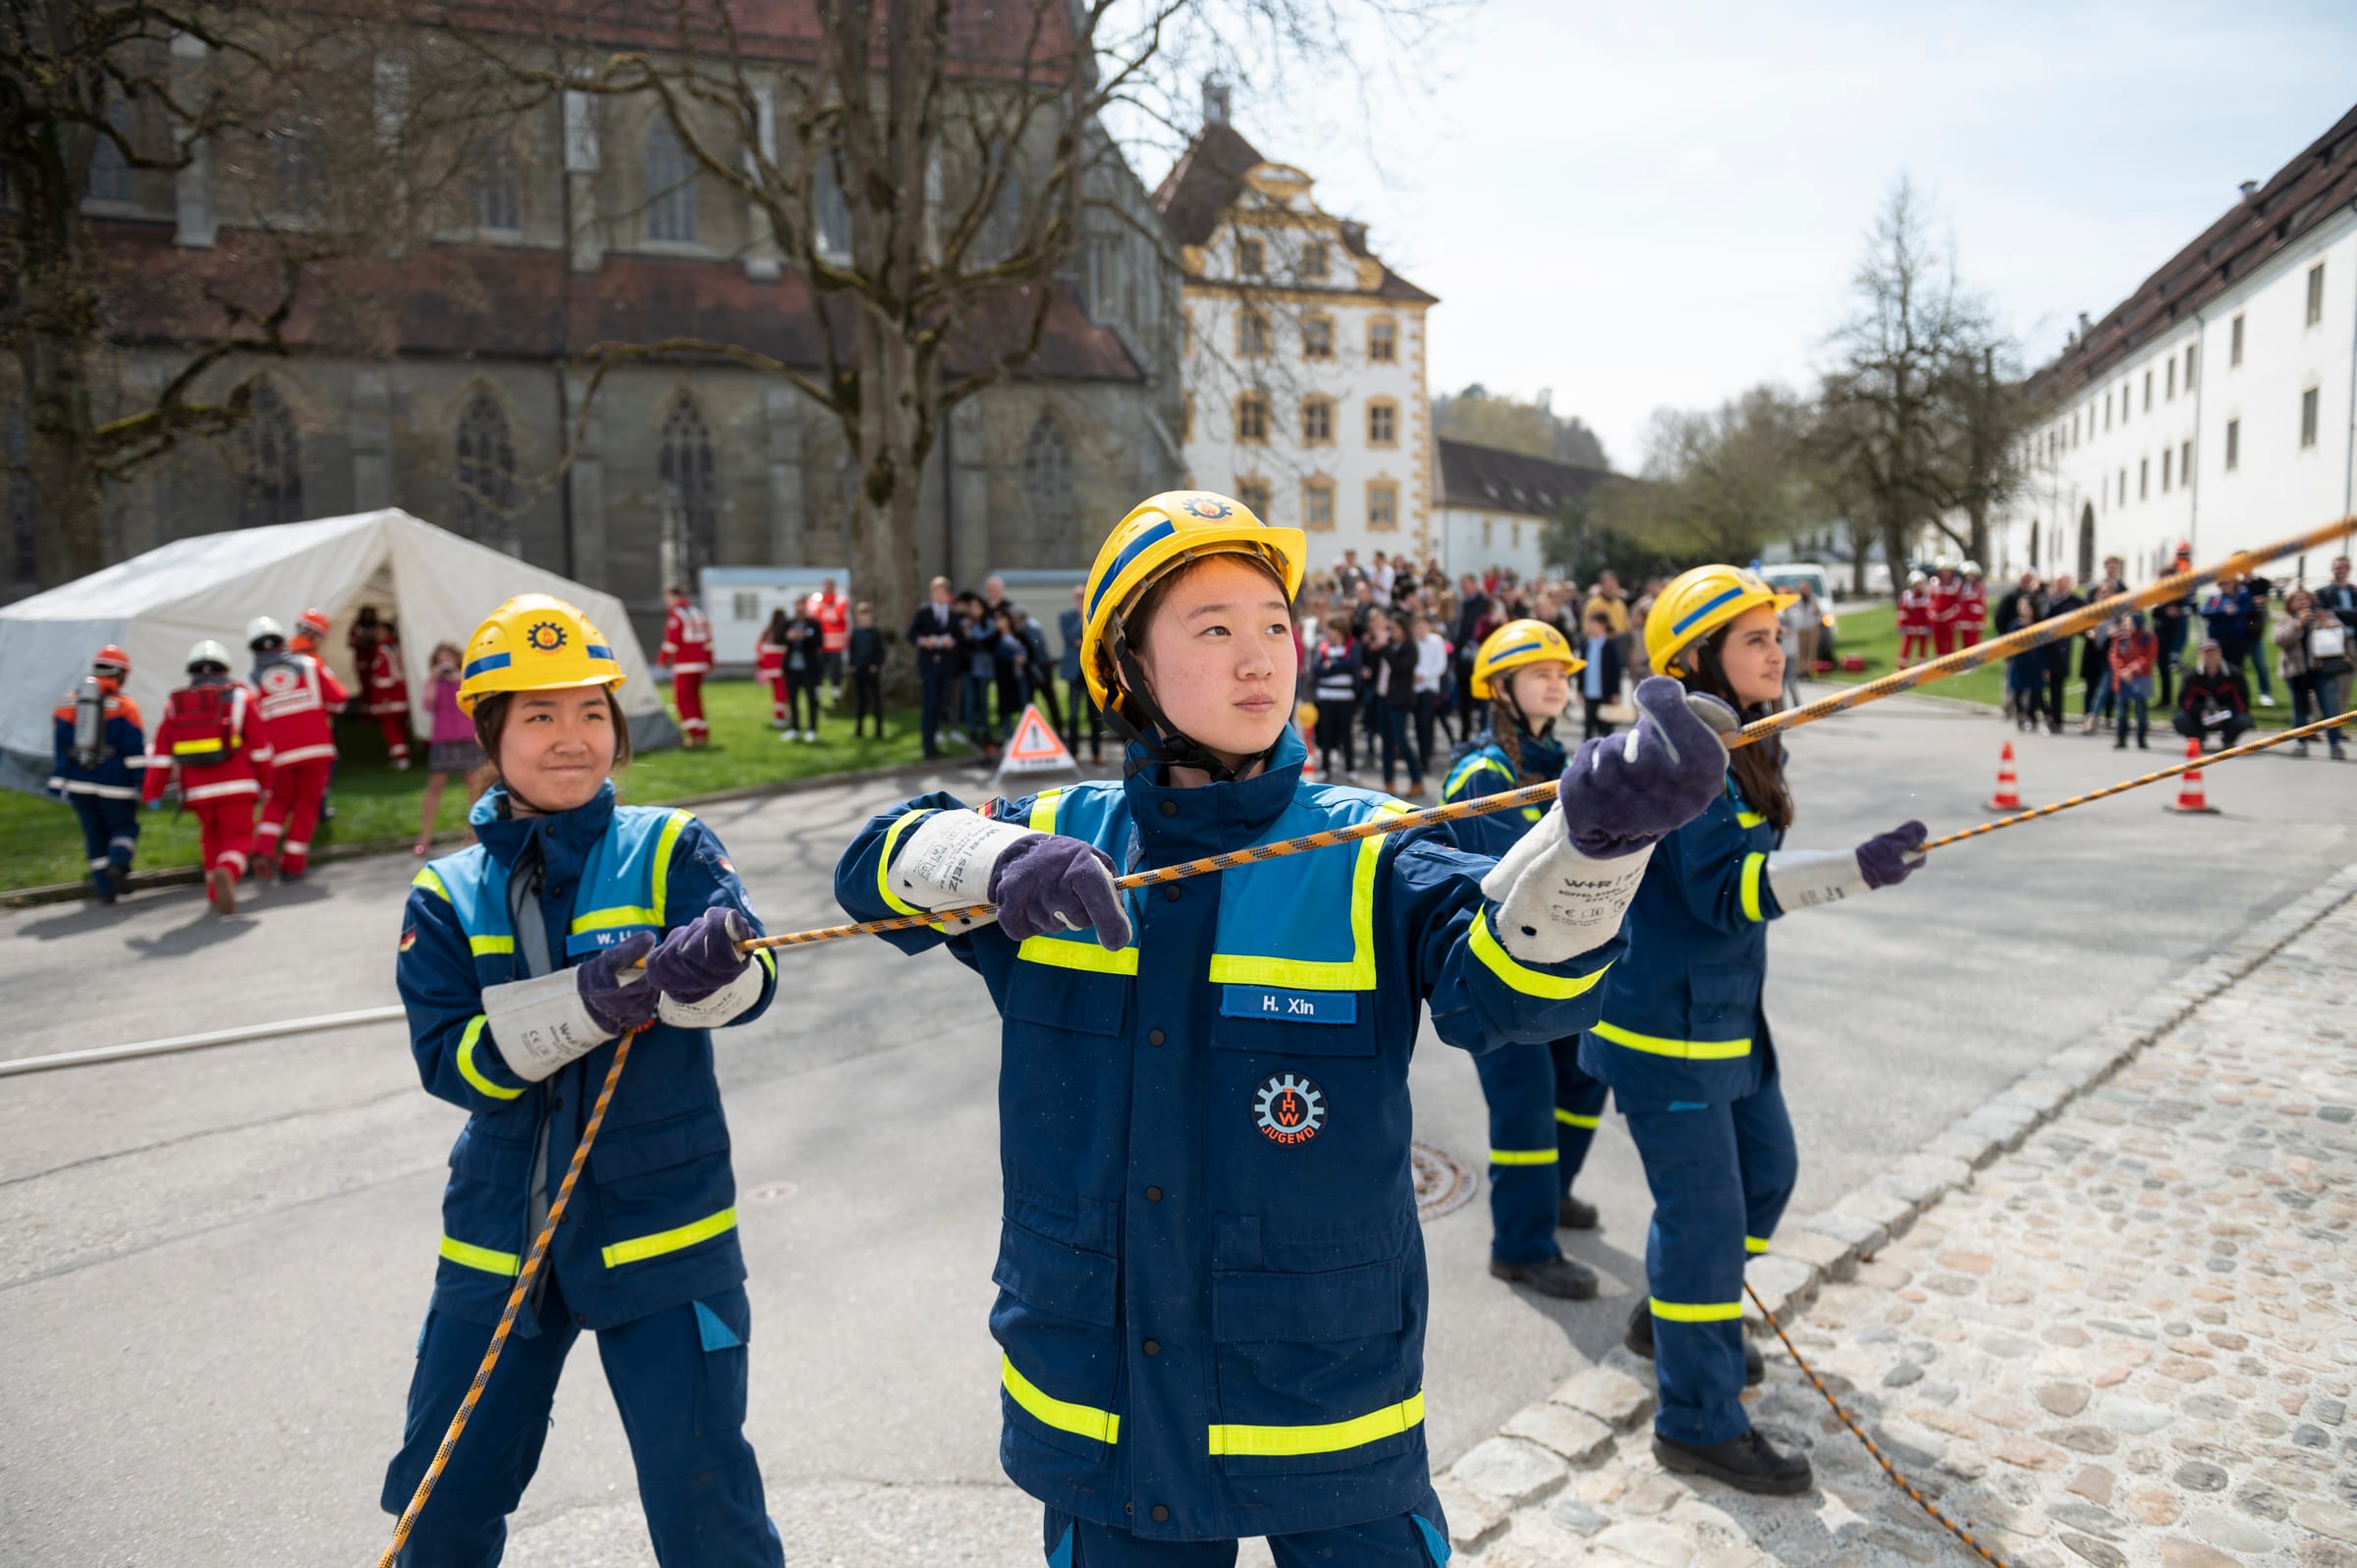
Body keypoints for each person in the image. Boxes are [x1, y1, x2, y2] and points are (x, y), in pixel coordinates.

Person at [831, 490, 1726, 1564]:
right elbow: (871, 865)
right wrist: (989, 860)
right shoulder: (1059, 838)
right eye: (1213, 630)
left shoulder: (1371, 848)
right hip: (1101, 1404)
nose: (1260, 658)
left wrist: (1599, 850)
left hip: (1324, 1406)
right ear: (1128, 665)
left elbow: (1517, 994)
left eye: (1272, 625)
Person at [379, 593, 786, 1567]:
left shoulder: (670, 847)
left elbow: (759, 980)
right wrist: (587, 1004)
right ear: (490, 733)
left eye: (593, 712)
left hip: (666, 1234)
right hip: (499, 1239)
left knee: (705, 1507)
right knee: (440, 1499)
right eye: (542, 715)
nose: (574, 738)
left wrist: (713, 972)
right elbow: (455, 1062)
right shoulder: (444, 895)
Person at [1590, 564, 1927, 1496]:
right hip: (1669, 1032)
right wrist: (1848, 872)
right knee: (1705, 1224)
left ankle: (1676, 1320)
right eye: (1754, 638)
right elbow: (1720, 892)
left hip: (1731, 1018)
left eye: (1779, 634)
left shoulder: (1744, 742)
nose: (1779, 649)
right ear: (1698, 659)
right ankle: (1696, 1419)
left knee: (1768, 1176)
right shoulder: (1678, 756)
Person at [1441, 619, 1615, 1299]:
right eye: (1541, 673)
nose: (1557, 683)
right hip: (1499, 973)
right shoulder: (1484, 772)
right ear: (1502, 690)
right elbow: (1514, 874)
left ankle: (1553, 1192)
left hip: (1561, 962)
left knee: (1582, 1082)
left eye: (1563, 674)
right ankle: (1520, 1245)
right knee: (1525, 1106)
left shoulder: (1560, 760)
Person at [142, 640, 274, 914]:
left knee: (211, 838)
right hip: (237, 785)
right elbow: (260, 748)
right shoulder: (240, 698)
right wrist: (266, 782)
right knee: (240, 837)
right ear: (224, 668)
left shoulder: (174, 705)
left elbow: (162, 755)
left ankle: (215, 892)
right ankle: (227, 871)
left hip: (197, 791)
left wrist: (152, 792)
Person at [247, 614, 349, 882]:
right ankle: (293, 865)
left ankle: (263, 850)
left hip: (278, 755)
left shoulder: (251, 681)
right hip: (316, 749)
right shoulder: (311, 665)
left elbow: (251, 723)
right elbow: (339, 699)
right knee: (307, 805)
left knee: (277, 802)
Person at [48, 643, 146, 903]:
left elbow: (60, 747)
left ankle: (104, 888)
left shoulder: (66, 703)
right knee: (124, 826)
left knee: (94, 833)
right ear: (121, 674)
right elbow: (134, 750)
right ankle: (118, 863)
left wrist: (60, 780)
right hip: (115, 782)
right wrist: (142, 781)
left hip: (79, 781)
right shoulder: (126, 706)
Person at [415, 641, 481, 855]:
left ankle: (477, 833)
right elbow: (428, 705)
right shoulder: (433, 681)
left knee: (474, 786)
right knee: (435, 785)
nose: (445, 663)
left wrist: (458, 680)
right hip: (442, 740)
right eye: (440, 659)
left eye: (448, 658)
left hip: (466, 738)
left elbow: (474, 703)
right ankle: (424, 836)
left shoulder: (465, 679)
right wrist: (434, 679)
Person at [2274, 585, 2350, 760]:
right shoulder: (2284, 619)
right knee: (2299, 710)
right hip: (2297, 672)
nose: (2301, 602)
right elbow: (2279, 639)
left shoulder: (2324, 616)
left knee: (2331, 708)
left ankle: (2335, 745)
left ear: (2312, 601)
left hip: (2322, 670)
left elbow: (2342, 634)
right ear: (2289, 604)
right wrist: (2298, 624)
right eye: (2296, 599)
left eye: (2305, 598)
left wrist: (2326, 623)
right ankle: (2301, 744)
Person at [1364, 610, 1425, 797]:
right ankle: (1388, 782)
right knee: (1386, 743)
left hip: (1399, 701)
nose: (1393, 632)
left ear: (1404, 630)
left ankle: (1417, 780)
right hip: (1383, 698)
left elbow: (1399, 667)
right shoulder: (1389, 646)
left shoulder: (1410, 649)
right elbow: (1372, 661)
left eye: (1396, 629)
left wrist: (1384, 648)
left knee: (1401, 741)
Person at [909, 576, 960, 760]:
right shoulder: (924, 612)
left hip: (945, 666)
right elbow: (912, 634)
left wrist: (951, 642)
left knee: (940, 705)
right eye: (935, 591)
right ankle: (927, 746)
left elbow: (959, 637)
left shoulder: (952, 614)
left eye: (942, 592)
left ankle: (935, 743)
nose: (939, 595)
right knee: (929, 705)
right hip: (929, 665)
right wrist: (924, 641)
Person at [658, 584, 714, 747]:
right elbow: (709, 640)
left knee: (683, 700)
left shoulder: (677, 614)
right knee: (696, 699)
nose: (666, 602)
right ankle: (702, 733)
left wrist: (662, 659)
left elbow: (673, 640)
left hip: (685, 664)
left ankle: (693, 736)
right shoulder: (698, 613)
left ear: (675, 597)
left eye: (667, 598)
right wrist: (709, 661)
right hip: (700, 663)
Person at [1309, 611, 1361, 783]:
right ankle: (1325, 768)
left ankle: (1350, 768)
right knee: (1325, 734)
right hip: (1325, 697)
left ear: (1339, 629)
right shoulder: (1323, 646)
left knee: (1346, 735)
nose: (1328, 632)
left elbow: (1353, 665)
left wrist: (1331, 666)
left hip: (1346, 698)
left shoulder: (1353, 646)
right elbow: (1316, 671)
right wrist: (1338, 666)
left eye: (1331, 628)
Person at [2174, 639, 2253, 750]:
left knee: (2243, 719)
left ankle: (2228, 740)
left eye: (2213, 652)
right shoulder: (2191, 676)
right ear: (2199, 655)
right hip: (2200, 717)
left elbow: (2241, 702)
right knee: (2180, 719)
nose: (2210, 656)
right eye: (2206, 652)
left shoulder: (2234, 674)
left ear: (2220, 653)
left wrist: (2221, 713)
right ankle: (2197, 739)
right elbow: (2184, 701)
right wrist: (2201, 711)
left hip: (2226, 716)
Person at [2153, 545, 2196, 711]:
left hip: (2173, 635)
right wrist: (2163, 608)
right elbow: (2156, 611)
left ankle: (2180, 699)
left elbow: (2182, 612)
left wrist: (2172, 610)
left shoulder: (2178, 594)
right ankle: (2165, 699)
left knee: (2174, 666)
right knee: (2163, 668)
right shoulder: (2158, 594)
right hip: (2160, 634)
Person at [2040, 573, 2084, 733]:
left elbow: (2084, 621)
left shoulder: (2075, 601)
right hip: (2046, 649)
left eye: (2063, 583)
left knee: (2057, 687)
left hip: (2063, 650)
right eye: (2057, 583)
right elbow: (2041, 617)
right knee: (2038, 686)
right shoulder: (2049, 601)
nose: (2059, 586)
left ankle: (2056, 720)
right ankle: (2044, 715)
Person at [368, 620, 415, 768]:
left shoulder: (382, 650)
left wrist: (383, 697)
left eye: (380, 632)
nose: (376, 635)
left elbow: (383, 676)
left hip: (390, 696)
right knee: (400, 726)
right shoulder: (397, 647)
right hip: (401, 692)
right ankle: (403, 755)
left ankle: (400, 758)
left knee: (391, 728)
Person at [2108, 612, 2158, 751]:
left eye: (2129, 621)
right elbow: (2114, 656)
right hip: (2123, 678)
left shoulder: (2148, 638)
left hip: (2140, 678)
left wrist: (2131, 669)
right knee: (2121, 711)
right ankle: (2121, 738)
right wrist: (2122, 670)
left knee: (2141, 710)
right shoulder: (2121, 638)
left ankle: (2141, 738)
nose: (2126, 624)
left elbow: (2148, 657)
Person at [1410, 612, 1453, 762]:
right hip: (1415, 688)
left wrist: (1424, 675)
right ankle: (1422, 753)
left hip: (1430, 687)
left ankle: (1426, 755)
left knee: (1426, 722)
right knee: (1418, 724)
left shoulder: (1436, 641)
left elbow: (1440, 665)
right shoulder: (1412, 642)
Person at [782, 599, 825, 742]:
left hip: (809, 669)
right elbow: (779, 639)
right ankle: (795, 728)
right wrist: (789, 637)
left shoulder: (814, 624)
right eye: (797, 608)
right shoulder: (788, 624)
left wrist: (804, 637)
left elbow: (819, 642)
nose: (799, 611)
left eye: (802, 609)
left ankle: (812, 729)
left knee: (811, 700)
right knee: (792, 700)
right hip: (791, 669)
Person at [1578, 608, 1625, 738]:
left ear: (1602, 625)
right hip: (1589, 692)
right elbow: (1581, 668)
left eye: (1593, 624)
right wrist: (1580, 688)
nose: (1590, 628)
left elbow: (1616, 672)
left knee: (1606, 728)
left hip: (1605, 693)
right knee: (1588, 727)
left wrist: (1616, 693)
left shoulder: (1610, 645)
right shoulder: (1586, 644)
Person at [848, 602, 887, 740]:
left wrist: (875, 664)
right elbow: (851, 650)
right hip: (859, 669)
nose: (864, 619)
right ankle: (859, 729)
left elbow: (880, 651)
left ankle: (878, 730)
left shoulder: (875, 633)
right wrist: (852, 664)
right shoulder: (856, 633)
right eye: (861, 616)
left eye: (866, 615)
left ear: (871, 617)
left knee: (875, 700)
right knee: (860, 700)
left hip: (871, 670)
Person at [813, 575, 850, 704]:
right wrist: (826, 612)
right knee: (818, 671)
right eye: (826, 586)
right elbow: (813, 613)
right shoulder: (817, 599)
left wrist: (824, 613)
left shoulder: (840, 600)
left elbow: (836, 616)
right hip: (821, 643)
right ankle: (817, 695)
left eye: (830, 586)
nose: (828, 588)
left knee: (836, 671)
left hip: (835, 644)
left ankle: (836, 696)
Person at [755, 609, 791, 729]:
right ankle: (780, 717)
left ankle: (782, 714)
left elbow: (759, 648)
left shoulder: (768, 630)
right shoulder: (783, 629)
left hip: (769, 667)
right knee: (782, 692)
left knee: (777, 692)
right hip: (781, 666)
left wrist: (761, 665)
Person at [1926, 557, 1963, 657]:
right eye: (1942, 570)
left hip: (1949, 617)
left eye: (1947, 570)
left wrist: (1949, 614)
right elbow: (1930, 600)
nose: (1944, 573)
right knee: (1938, 639)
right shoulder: (1934, 582)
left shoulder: (1956, 583)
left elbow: (1958, 602)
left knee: (1949, 639)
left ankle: (1950, 661)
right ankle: (1939, 660)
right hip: (1936, 617)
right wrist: (1932, 613)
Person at [1895, 571, 1933, 668]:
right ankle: (1901, 667)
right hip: (1910, 628)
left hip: (1923, 628)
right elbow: (1902, 612)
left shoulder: (1927, 595)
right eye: (1917, 584)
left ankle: (1920, 667)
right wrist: (1901, 625)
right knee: (1906, 647)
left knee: (1923, 648)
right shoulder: (1907, 595)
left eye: (1921, 583)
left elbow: (1930, 611)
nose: (1919, 586)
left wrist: (1930, 625)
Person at [1957, 563, 1987, 649]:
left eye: (1971, 575)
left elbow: (1982, 604)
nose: (1969, 577)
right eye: (1968, 575)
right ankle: (1965, 661)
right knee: (1965, 643)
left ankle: (1973, 661)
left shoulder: (1979, 587)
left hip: (1975, 619)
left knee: (1974, 643)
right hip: (1965, 619)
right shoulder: (1964, 587)